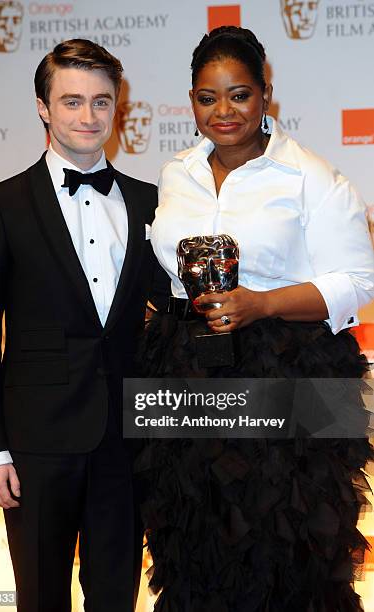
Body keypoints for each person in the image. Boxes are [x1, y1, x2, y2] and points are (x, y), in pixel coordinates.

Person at [137, 26, 374, 611]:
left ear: (266, 94)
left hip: (291, 369)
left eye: (239, 94)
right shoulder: (176, 174)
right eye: (207, 97)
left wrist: (263, 303)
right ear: (191, 99)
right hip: (187, 372)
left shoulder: (308, 175)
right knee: (195, 536)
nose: (224, 111)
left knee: (285, 547)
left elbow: (357, 282)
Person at [0, 39, 168, 612]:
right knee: (41, 598)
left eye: (102, 102)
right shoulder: (0, 205)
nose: (88, 116)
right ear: (43, 108)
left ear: (116, 108)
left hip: (126, 444)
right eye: (72, 101)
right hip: (34, 446)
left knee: (115, 596)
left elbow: (166, 325)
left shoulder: (151, 203)